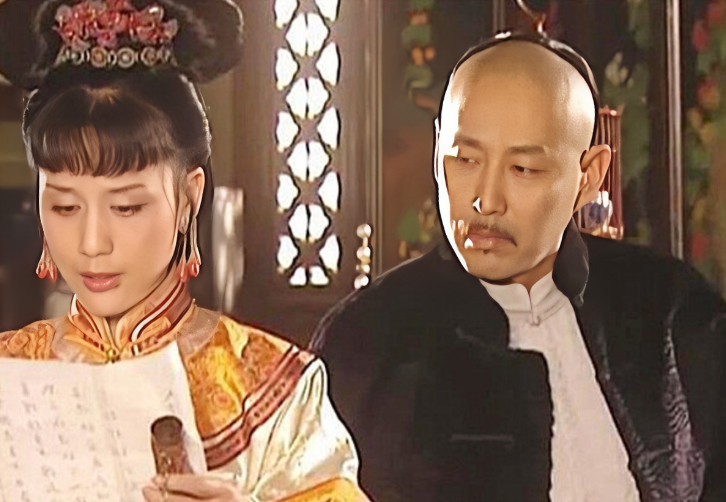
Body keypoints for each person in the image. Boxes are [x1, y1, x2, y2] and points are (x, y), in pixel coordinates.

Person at [312, 32, 726, 502]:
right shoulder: (366, 339)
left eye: (524, 169)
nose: (486, 200)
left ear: (588, 177)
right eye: (465, 159)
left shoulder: (667, 310)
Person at [0, 1, 367, 501]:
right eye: (65, 206)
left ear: (188, 198)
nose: (91, 243)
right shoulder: (12, 374)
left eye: (126, 207)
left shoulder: (278, 394)